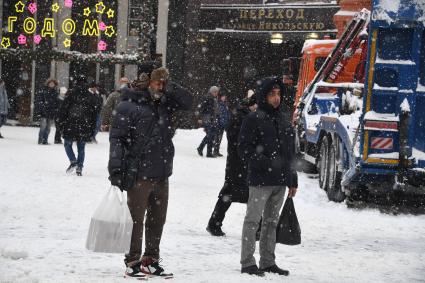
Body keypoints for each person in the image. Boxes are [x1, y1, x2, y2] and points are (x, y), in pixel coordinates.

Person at [108, 67, 193, 278]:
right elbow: (117, 138)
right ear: (146, 82)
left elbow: (189, 102)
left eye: (163, 83)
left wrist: (169, 85)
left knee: (157, 219)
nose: (160, 87)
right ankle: (133, 261)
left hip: (162, 172)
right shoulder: (128, 104)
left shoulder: (165, 102)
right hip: (138, 173)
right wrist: (116, 168)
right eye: (157, 82)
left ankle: (150, 260)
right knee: (135, 220)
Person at [238, 77, 298, 276]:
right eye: (272, 94)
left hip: (280, 181)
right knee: (253, 221)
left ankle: (267, 261)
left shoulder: (283, 119)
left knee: (271, 222)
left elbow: (290, 152)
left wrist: (292, 179)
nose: (276, 98)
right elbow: (244, 149)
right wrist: (265, 163)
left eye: (278, 94)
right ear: (264, 96)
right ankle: (247, 262)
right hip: (260, 180)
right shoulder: (253, 118)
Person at [206, 92, 257, 236]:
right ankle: (215, 224)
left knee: (242, 195)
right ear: (252, 105)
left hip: (240, 162)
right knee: (238, 194)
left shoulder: (242, 115)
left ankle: (215, 223)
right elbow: (237, 138)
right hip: (238, 162)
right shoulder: (242, 117)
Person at [57, 76, 99, 176]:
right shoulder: (90, 96)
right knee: (81, 147)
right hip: (85, 124)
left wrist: (61, 123)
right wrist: (92, 128)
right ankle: (79, 167)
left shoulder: (71, 94)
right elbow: (94, 113)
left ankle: (73, 161)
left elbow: (63, 110)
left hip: (70, 123)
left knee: (67, 144)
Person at [197, 86, 220, 157]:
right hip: (207, 118)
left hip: (213, 119)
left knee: (211, 135)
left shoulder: (214, 99)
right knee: (210, 135)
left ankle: (208, 152)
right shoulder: (206, 98)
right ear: (211, 91)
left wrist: (217, 117)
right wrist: (199, 118)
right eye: (215, 92)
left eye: (217, 92)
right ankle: (201, 148)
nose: (216, 93)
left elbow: (215, 110)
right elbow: (201, 108)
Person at [37, 78, 59, 144]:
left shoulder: (55, 92)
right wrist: (42, 107)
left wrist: (55, 110)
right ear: (48, 84)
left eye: (53, 84)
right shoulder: (44, 91)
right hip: (44, 112)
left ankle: (45, 140)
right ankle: (40, 140)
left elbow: (57, 102)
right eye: (50, 83)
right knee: (43, 127)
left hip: (51, 112)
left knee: (48, 128)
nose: (51, 85)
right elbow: (40, 100)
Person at [213, 92, 231, 157]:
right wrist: (222, 123)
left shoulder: (225, 104)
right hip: (219, 124)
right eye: (223, 96)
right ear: (220, 97)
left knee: (220, 138)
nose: (224, 97)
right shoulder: (219, 105)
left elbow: (227, 114)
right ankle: (215, 151)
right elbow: (220, 115)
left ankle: (217, 151)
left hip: (224, 123)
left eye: (225, 96)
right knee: (217, 138)